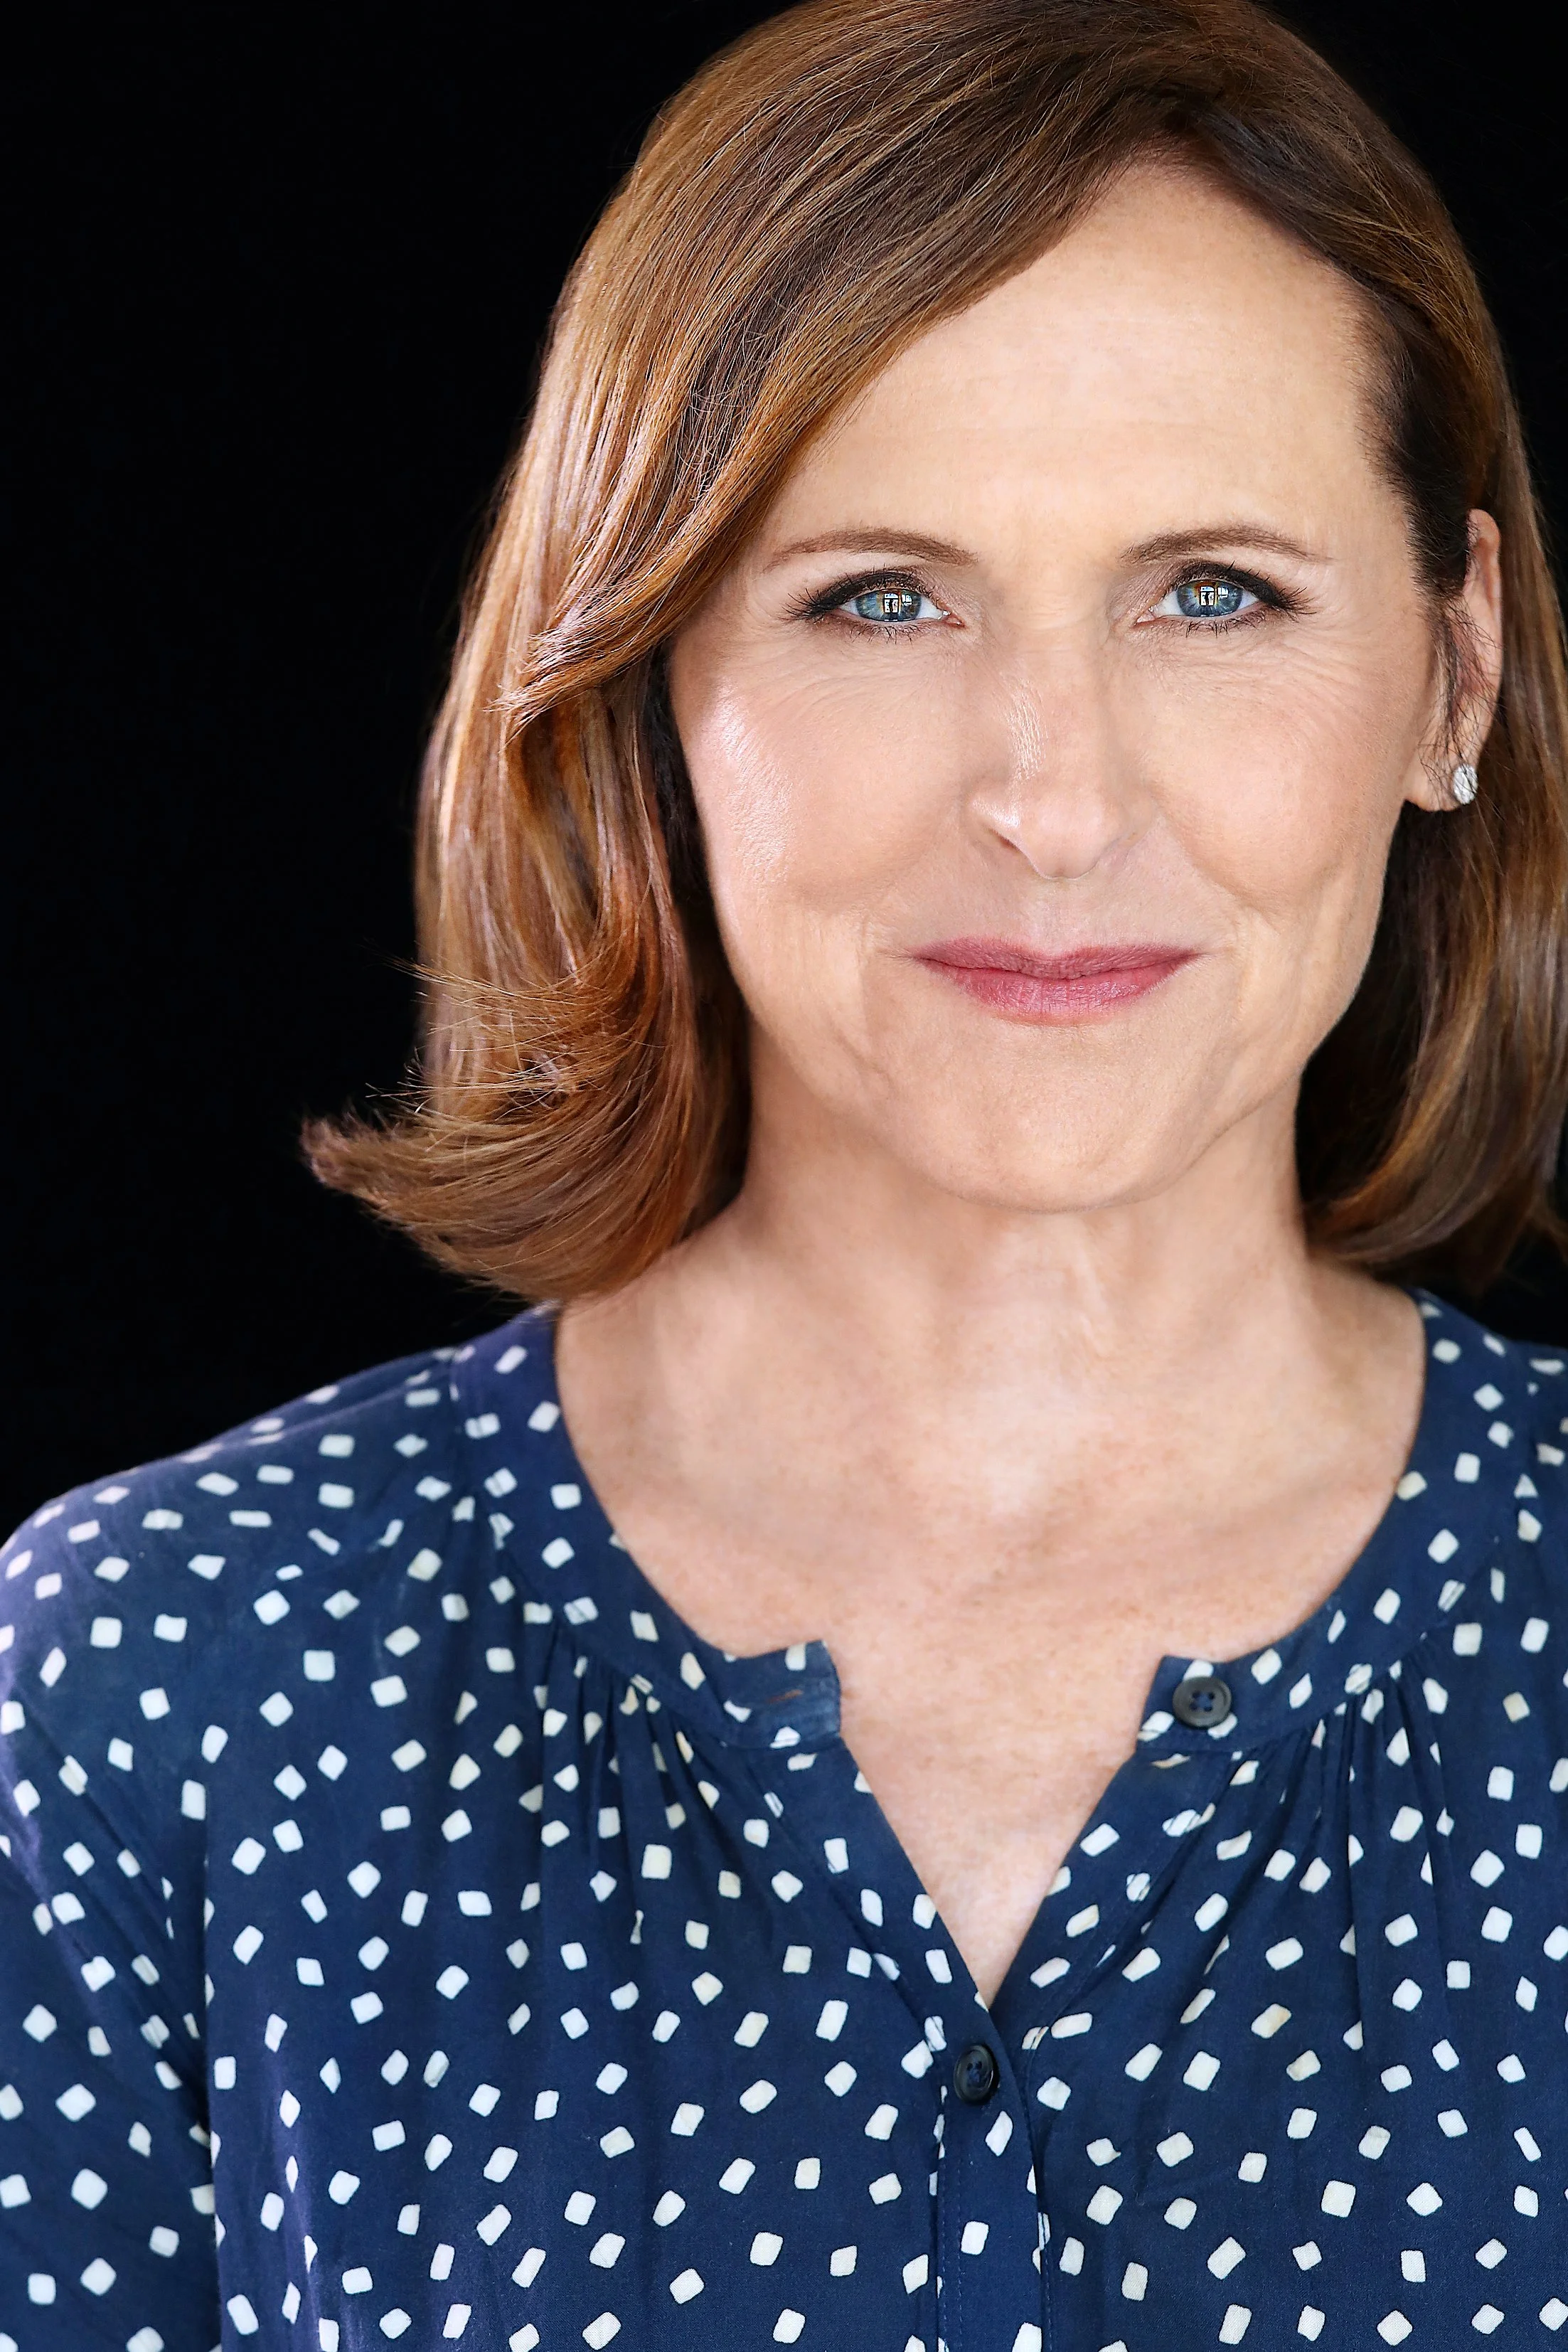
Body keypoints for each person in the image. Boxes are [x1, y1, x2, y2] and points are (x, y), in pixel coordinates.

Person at [6, 0, 1568, 2343]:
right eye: (879, 599)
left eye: (1213, 592)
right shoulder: (158, 1673)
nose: (1050, 798)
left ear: (1451, 675)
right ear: (643, 678)